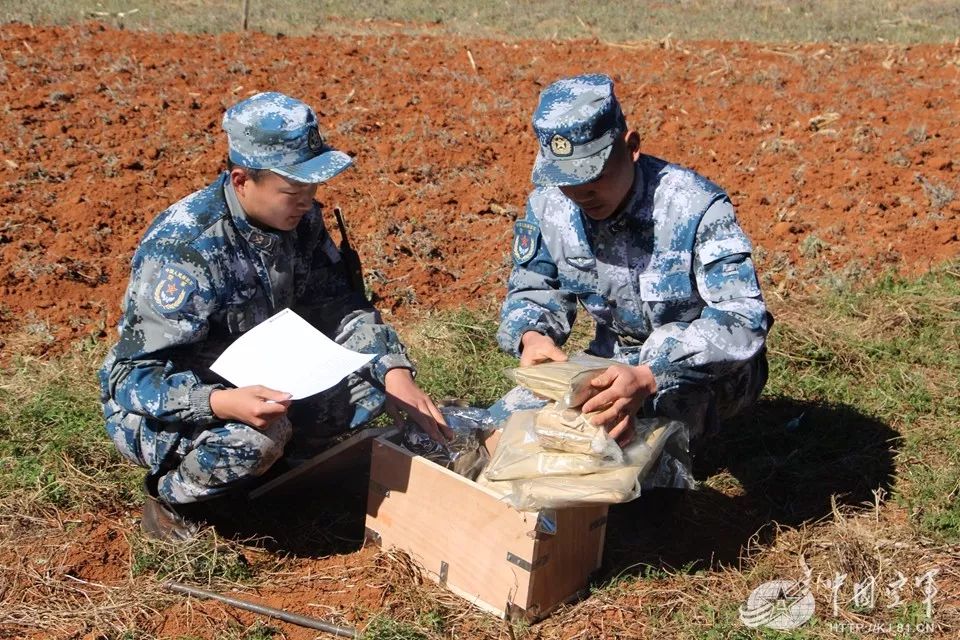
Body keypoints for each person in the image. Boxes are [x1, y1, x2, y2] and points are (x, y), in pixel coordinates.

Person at [99, 92, 450, 540]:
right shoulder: (185, 250)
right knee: (256, 440)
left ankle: (279, 471)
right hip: (170, 405)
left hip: (266, 377)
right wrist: (220, 403)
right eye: (292, 191)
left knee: (373, 384)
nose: (306, 202)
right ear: (242, 180)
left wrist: (394, 371)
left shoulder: (300, 221)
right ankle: (172, 498)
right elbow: (130, 377)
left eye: (312, 189)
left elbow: (339, 305)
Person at [489, 74, 771, 485]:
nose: (580, 192)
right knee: (505, 430)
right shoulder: (549, 206)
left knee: (616, 451)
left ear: (631, 146)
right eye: (566, 180)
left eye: (593, 174)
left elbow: (742, 317)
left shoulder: (694, 207)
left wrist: (650, 374)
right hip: (612, 361)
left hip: (705, 370)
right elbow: (534, 286)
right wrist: (533, 336)